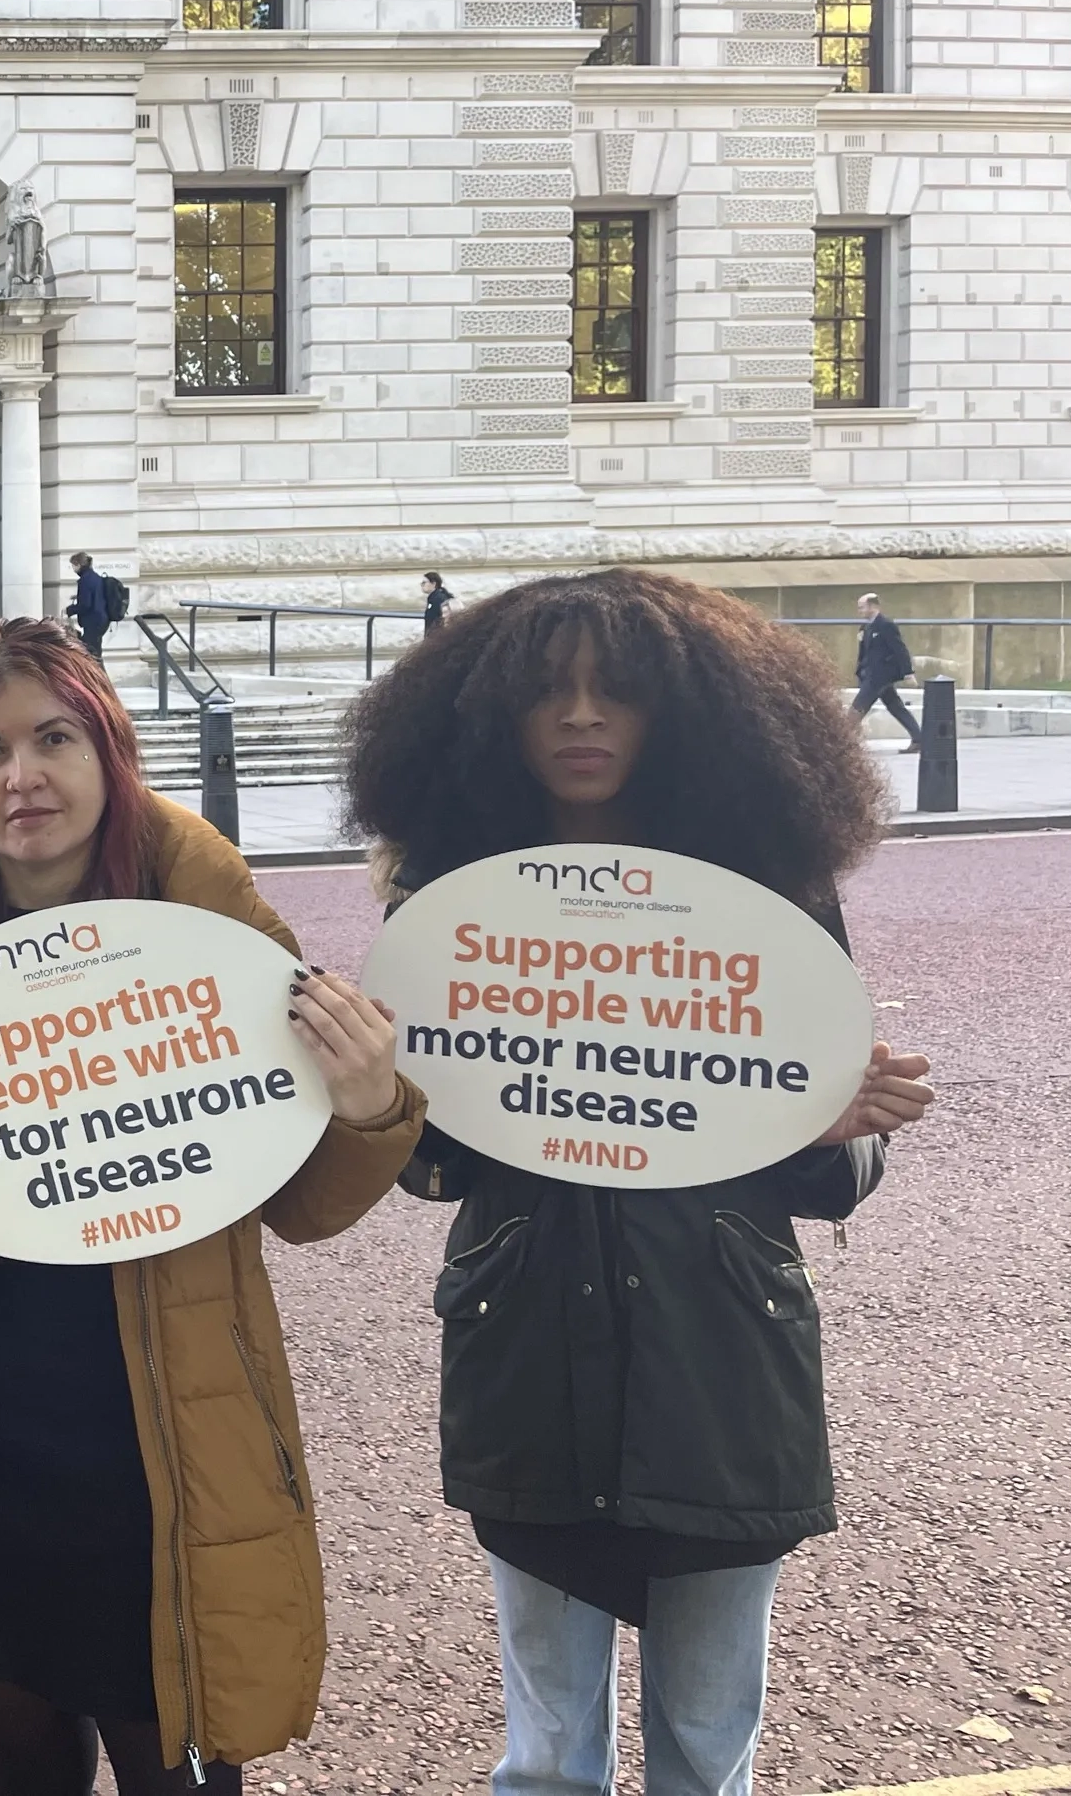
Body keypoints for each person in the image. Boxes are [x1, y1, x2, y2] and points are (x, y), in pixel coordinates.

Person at [342, 568, 937, 1796]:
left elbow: (834, 1171)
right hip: (525, 1342)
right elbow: (434, 1169)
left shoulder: (766, 893)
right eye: (544, 694)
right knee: (549, 1753)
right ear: (487, 715)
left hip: (720, 1348)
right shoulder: (445, 902)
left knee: (706, 1748)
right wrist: (376, 1105)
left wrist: (836, 1130)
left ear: (684, 714)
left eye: (613, 692)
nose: (577, 717)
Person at [0, 617, 426, 1796]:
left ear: (109, 752)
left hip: (163, 1427)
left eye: (54, 738)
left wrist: (369, 1104)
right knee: (21, 1763)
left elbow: (304, 1204)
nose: (23, 778)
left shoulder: (211, 923)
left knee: (182, 1770)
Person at [850, 592, 921, 752]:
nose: (859, 611)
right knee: (896, 707)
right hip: (871, 675)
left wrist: (908, 673)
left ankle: (839, 743)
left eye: (862, 607)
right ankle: (919, 739)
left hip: (879, 677)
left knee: (856, 709)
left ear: (873, 606)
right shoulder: (866, 627)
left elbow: (900, 649)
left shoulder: (886, 625)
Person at [66, 551, 128, 659]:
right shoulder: (95, 577)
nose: (73, 569)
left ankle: (98, 675)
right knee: (94, 651)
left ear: (78, 565)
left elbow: (86, 605)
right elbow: (96, 597)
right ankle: (98, 674)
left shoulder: (84, 580)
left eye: (73, 566)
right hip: (102, 620)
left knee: (91, 654)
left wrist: (70, 610)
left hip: (93, 621)